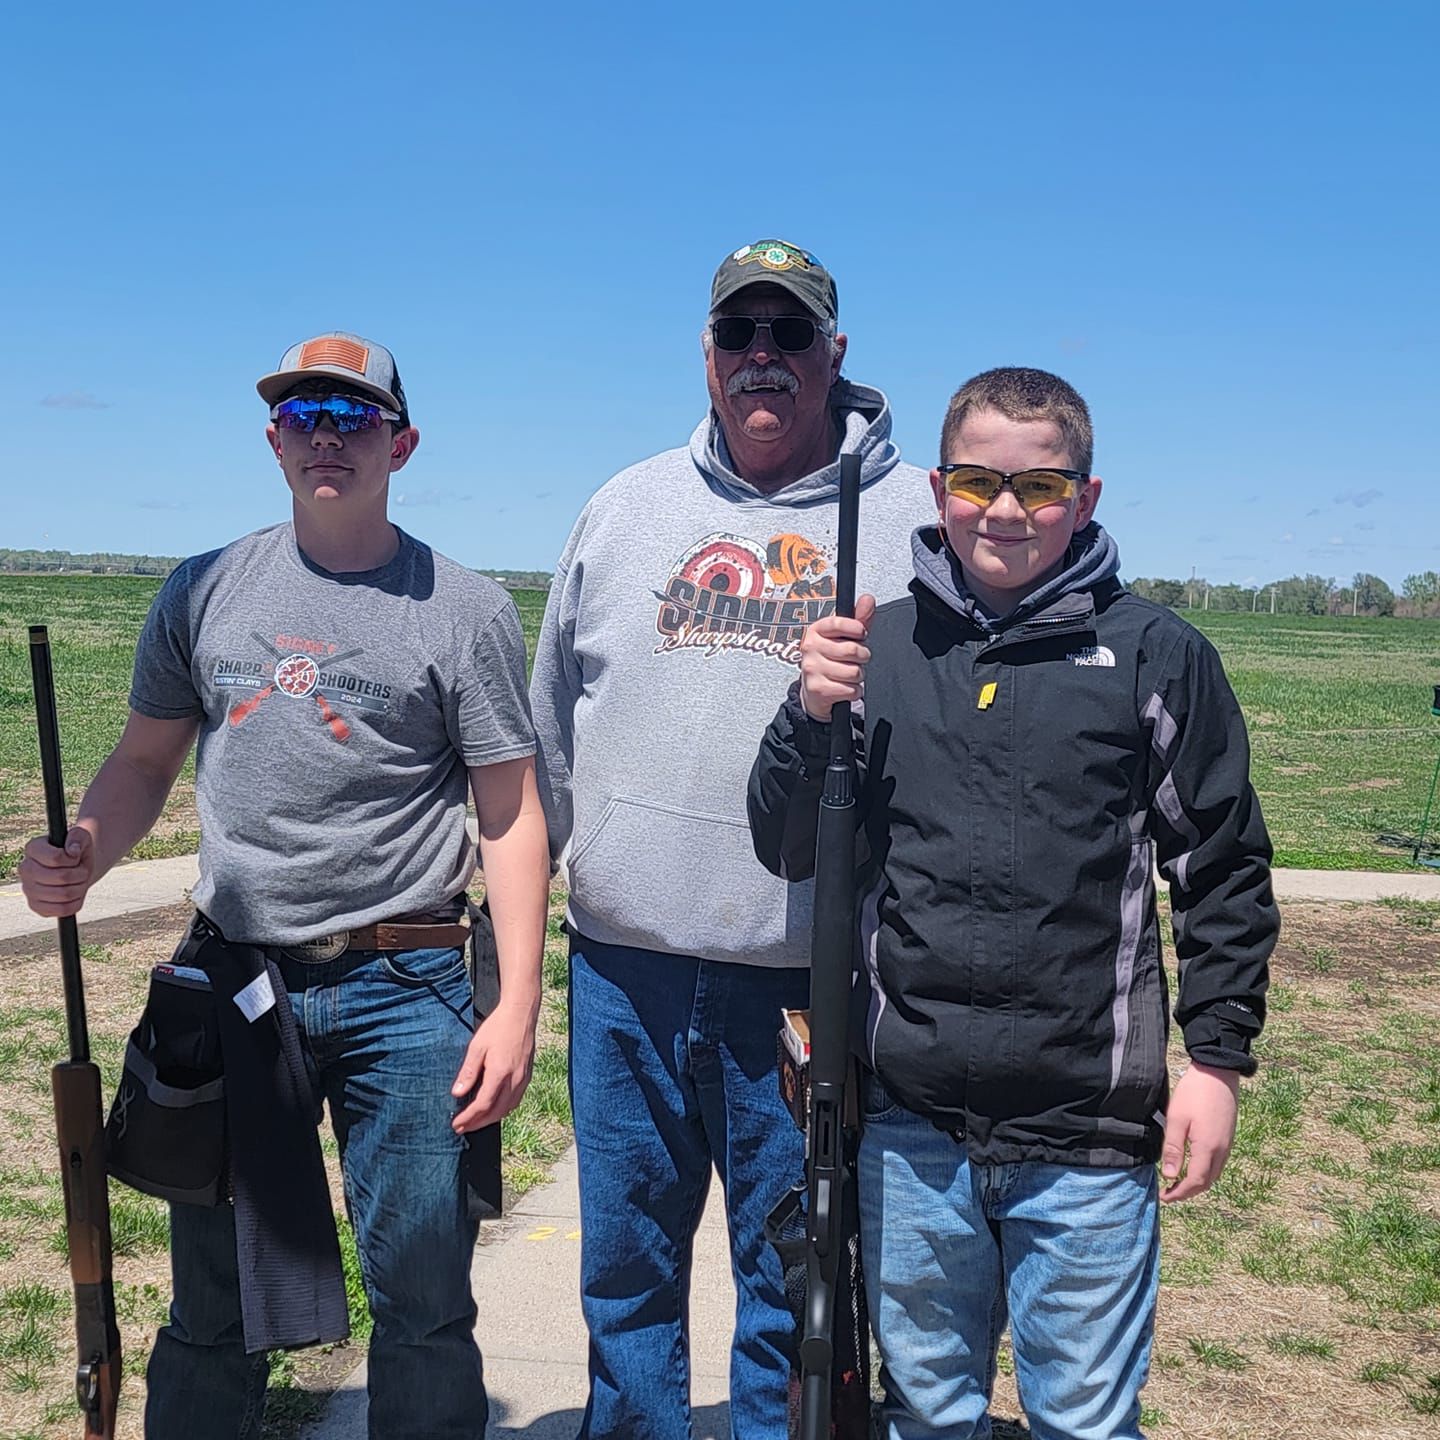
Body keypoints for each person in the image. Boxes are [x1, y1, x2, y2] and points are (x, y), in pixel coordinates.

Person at [19, 331, 550, 1440]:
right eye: (305, 417)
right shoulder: (203, 587)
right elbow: (144, 760)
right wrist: (80, 849)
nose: (327, 438)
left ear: (401, 445)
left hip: (405, 986)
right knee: (213, 1303)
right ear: (271, 441)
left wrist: (515, 1007)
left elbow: (508, 812)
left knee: (423, 1301)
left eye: (353, 419)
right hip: (232, 985)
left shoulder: (465, 608)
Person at [748, 366, 1279, 1440]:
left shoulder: (1153, 655)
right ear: (939, 487)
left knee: (1082, 1419)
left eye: (1040, 487)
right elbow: (788, 843)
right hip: (909, 1128)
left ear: (1084, 499)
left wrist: (1216, 1062)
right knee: (930, 1415)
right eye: (979, 481)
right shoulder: (878, 648)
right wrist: (808, 716)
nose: (1005, 512)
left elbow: (1219, 870)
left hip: (1086, 1131)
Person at [529, 239, 931, 1438]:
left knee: (794, 1288)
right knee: (628, 1279)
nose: (765, 358)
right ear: (706, 357)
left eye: (790, 334)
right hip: (625, 975)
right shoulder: (625, 505)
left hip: (805, 988)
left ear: (835, 355)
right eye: (740, 335)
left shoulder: (909, 521)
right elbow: (552, 727)